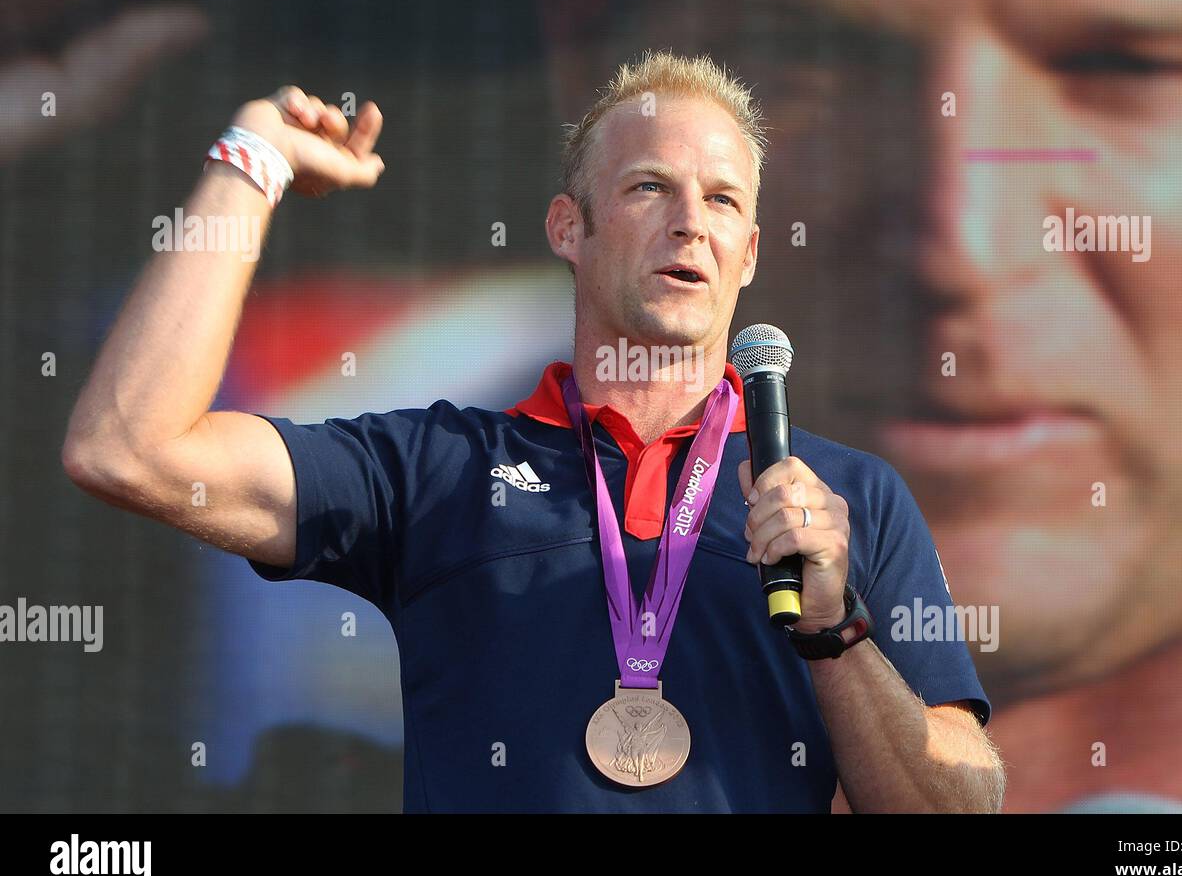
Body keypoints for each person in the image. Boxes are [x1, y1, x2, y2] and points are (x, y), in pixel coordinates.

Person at [62, 49, 1003, 811]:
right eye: (647, 188)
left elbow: (960, 808)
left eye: (722, 200)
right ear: (568, 228)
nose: (690, 224)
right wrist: (251, 161)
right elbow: (128, 447)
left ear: (750, 252)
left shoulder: (838, 499)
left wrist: (834, 629)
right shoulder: (436, 470)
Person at [538, 0, 1182, 812]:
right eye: (807, 52)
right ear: (580, 30)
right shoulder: (435, 503)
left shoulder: (868, 502)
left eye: (1127, 69)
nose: (959, 247)